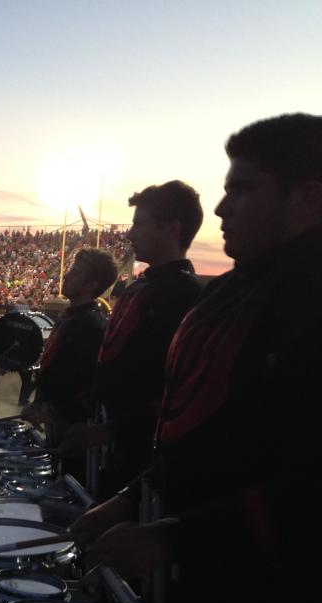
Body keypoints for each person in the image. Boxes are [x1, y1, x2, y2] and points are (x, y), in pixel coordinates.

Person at [73, 114, 322, 603]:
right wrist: (131, 500)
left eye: (243, 189)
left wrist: (171, 535)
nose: (221, 207)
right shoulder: (237, 291)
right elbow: (190, 432)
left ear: (308, 198)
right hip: (196, 580)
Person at [62, 182, 204, 498]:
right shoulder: (142, 288)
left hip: (142, 462)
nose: (129, 234)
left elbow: (174, 391)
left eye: (139, 224)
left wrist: (111, 430)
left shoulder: (185, 295)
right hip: (108, 444)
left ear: (171, 228)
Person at [21, 247, 116, 478]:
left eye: (75, 272)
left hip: (75, 436)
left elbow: (87, 387)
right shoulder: (71, 319)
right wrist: (38, 403)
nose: (67, 275)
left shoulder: (91, 326)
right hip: (58, 427)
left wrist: (55, 412)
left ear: (91, 285)